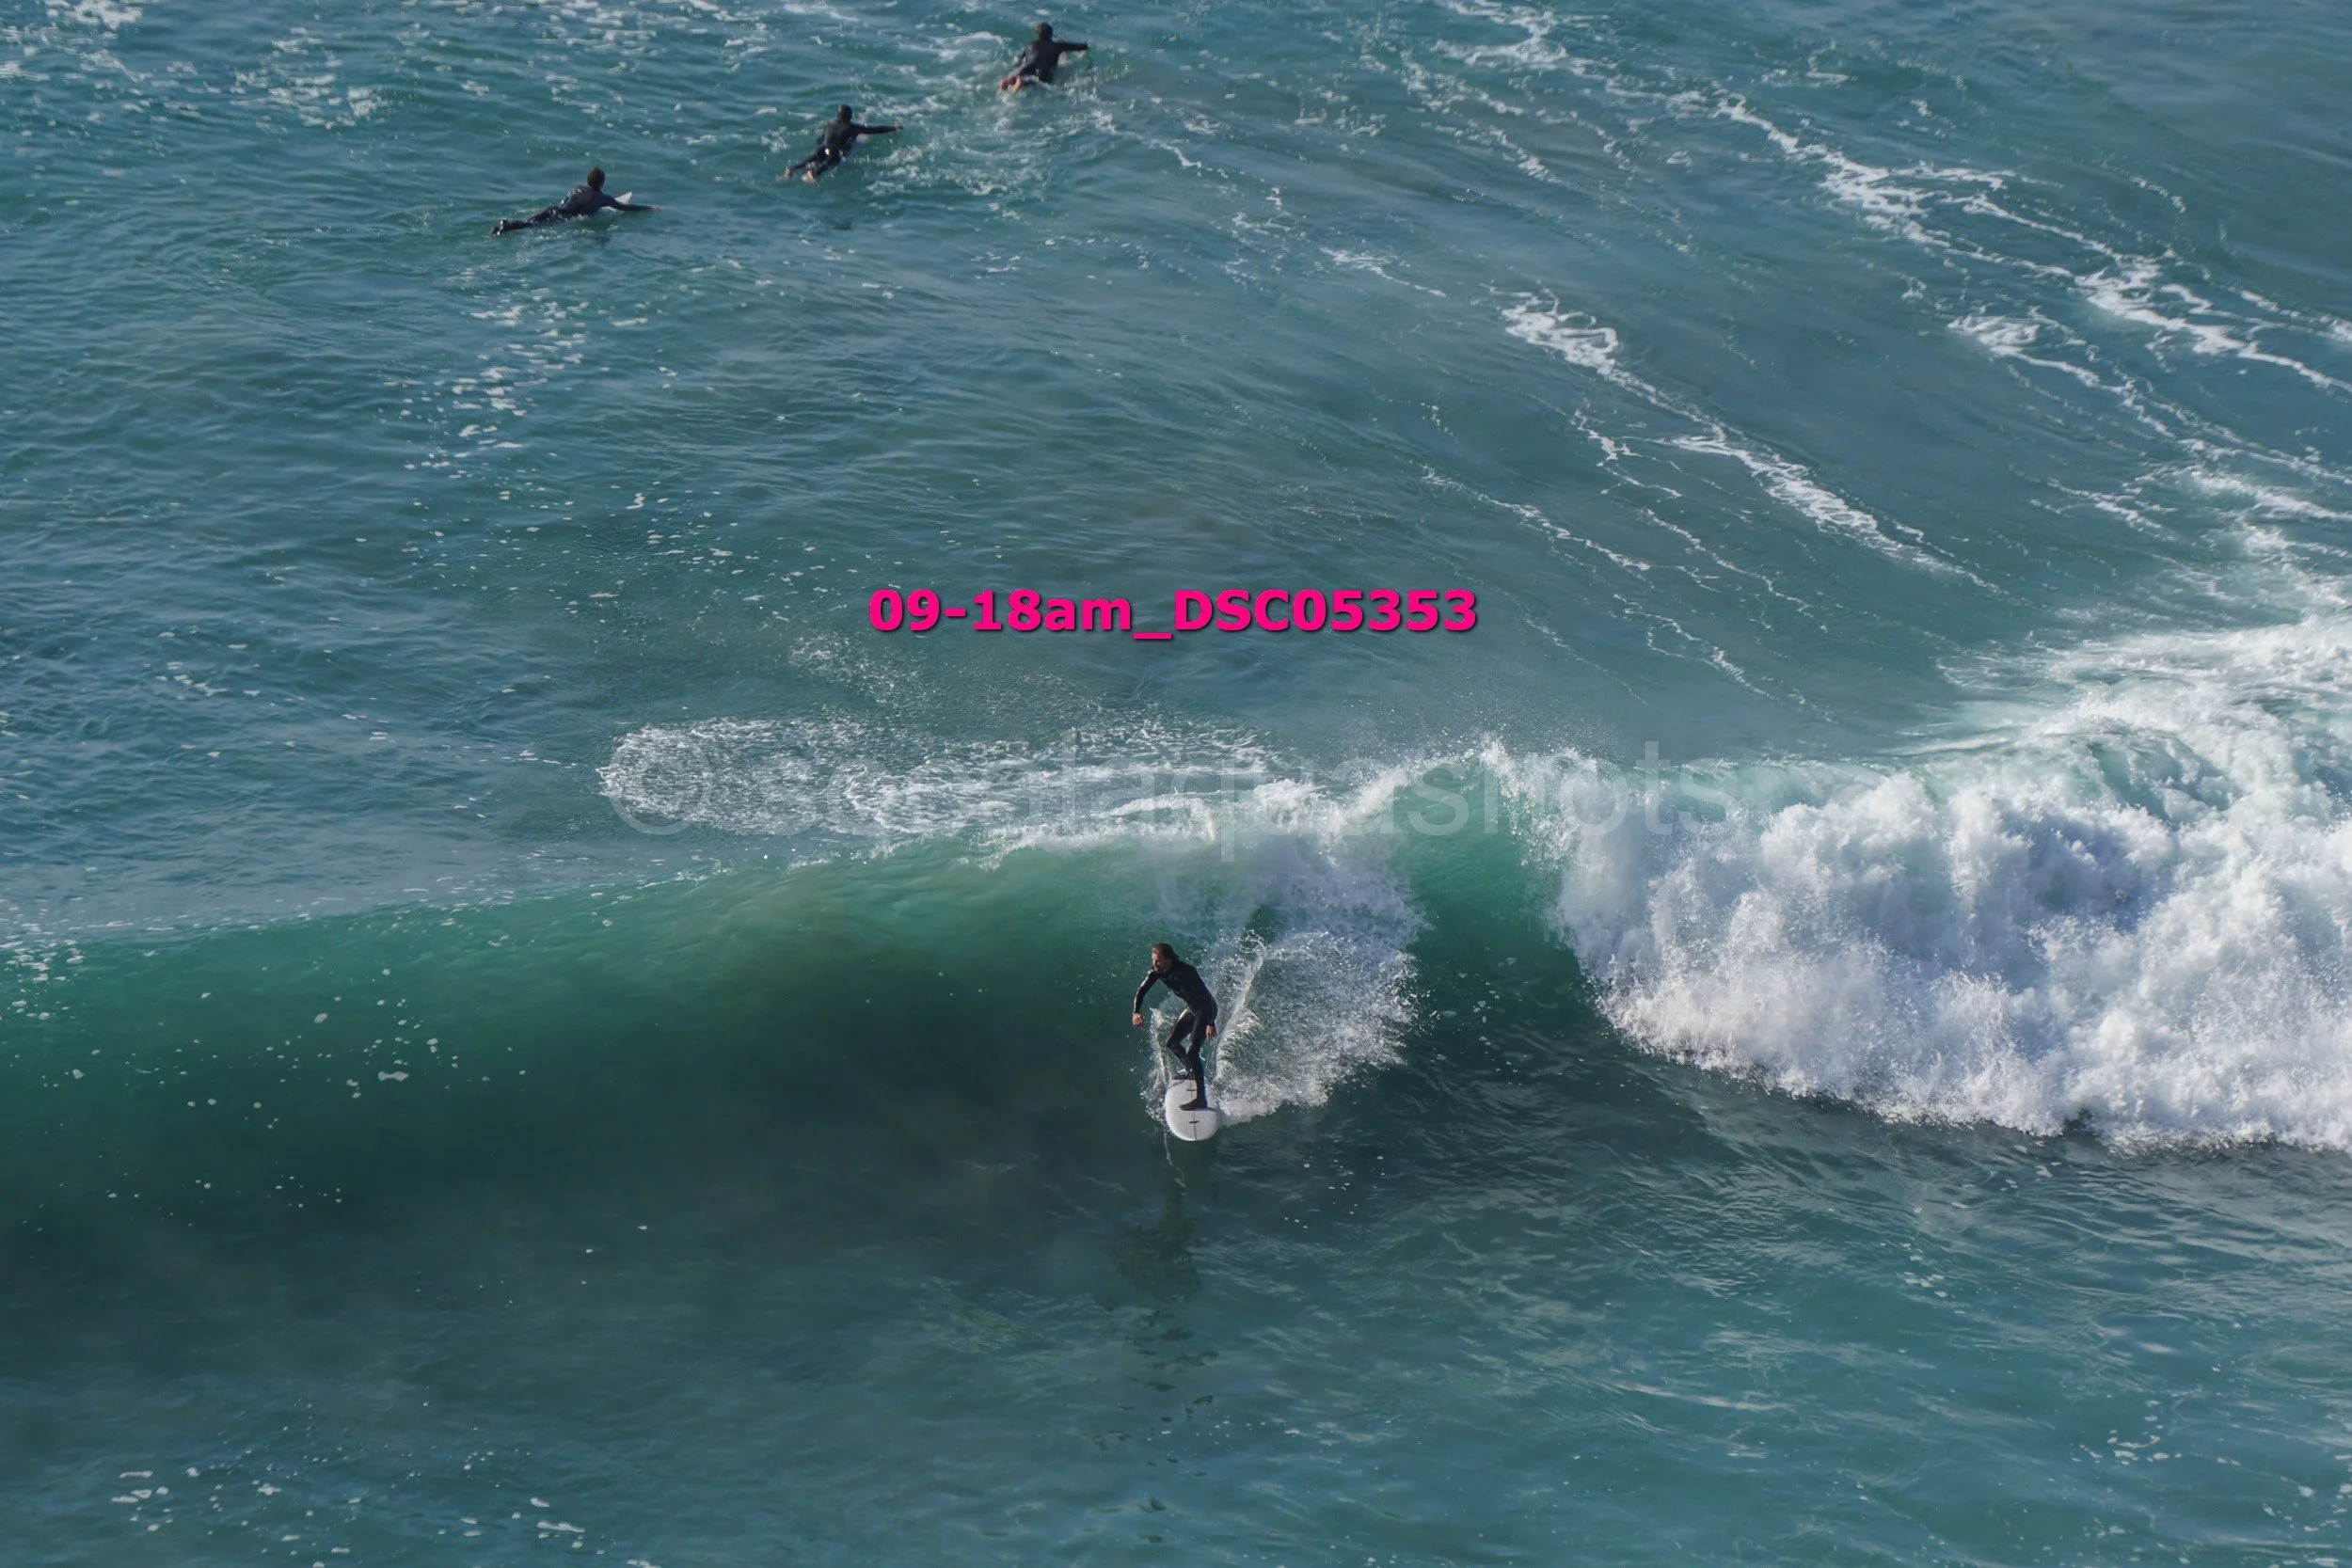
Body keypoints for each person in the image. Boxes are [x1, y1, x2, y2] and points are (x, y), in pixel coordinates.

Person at [1133, 942, 1216, 1110]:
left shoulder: (1187, 971)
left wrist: (1210, 1022)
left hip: (1205, 1009)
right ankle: (1191, 1070)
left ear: (1168, 959)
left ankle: (1201, 1100)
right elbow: (1141, 990)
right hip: (1192, 1009)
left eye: (1158, 961)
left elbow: (1206, 997)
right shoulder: (1157, 973)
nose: (1154, 964)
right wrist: (1136, 1011)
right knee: (1172, 1043)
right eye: (1153, 960)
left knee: (1192, 1050)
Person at [491, 167, 654, 235]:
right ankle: (507, 227)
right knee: (536, 228)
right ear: (602, 183)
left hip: (554, 209)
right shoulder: (602, 198)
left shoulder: (579, 188)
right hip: (564, 218)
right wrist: (648, 208)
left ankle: (507, 225)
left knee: (530, 223)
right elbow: (624, 208)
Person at [787, 105, 900, 182]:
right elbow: (874, 130)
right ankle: (814, 173)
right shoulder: (851, 127)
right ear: (850, 117)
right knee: (826, 165)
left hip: (823, 148)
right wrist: (893, 128)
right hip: (835, 151)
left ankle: (792, 169)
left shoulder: (829, 126)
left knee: (809, 160)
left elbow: (820, 140)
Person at [999, 23, 1089, 91]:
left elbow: (1019, 61)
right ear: (1051, 35)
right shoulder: (1058, 46)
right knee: (1040, 82)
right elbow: (1083, 47)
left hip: (1028, 66)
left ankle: (1010, 80)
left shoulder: (1030, 45)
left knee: (1019, 75)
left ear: (1037, 35)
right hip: (1043, 70)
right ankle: (1022, 83)